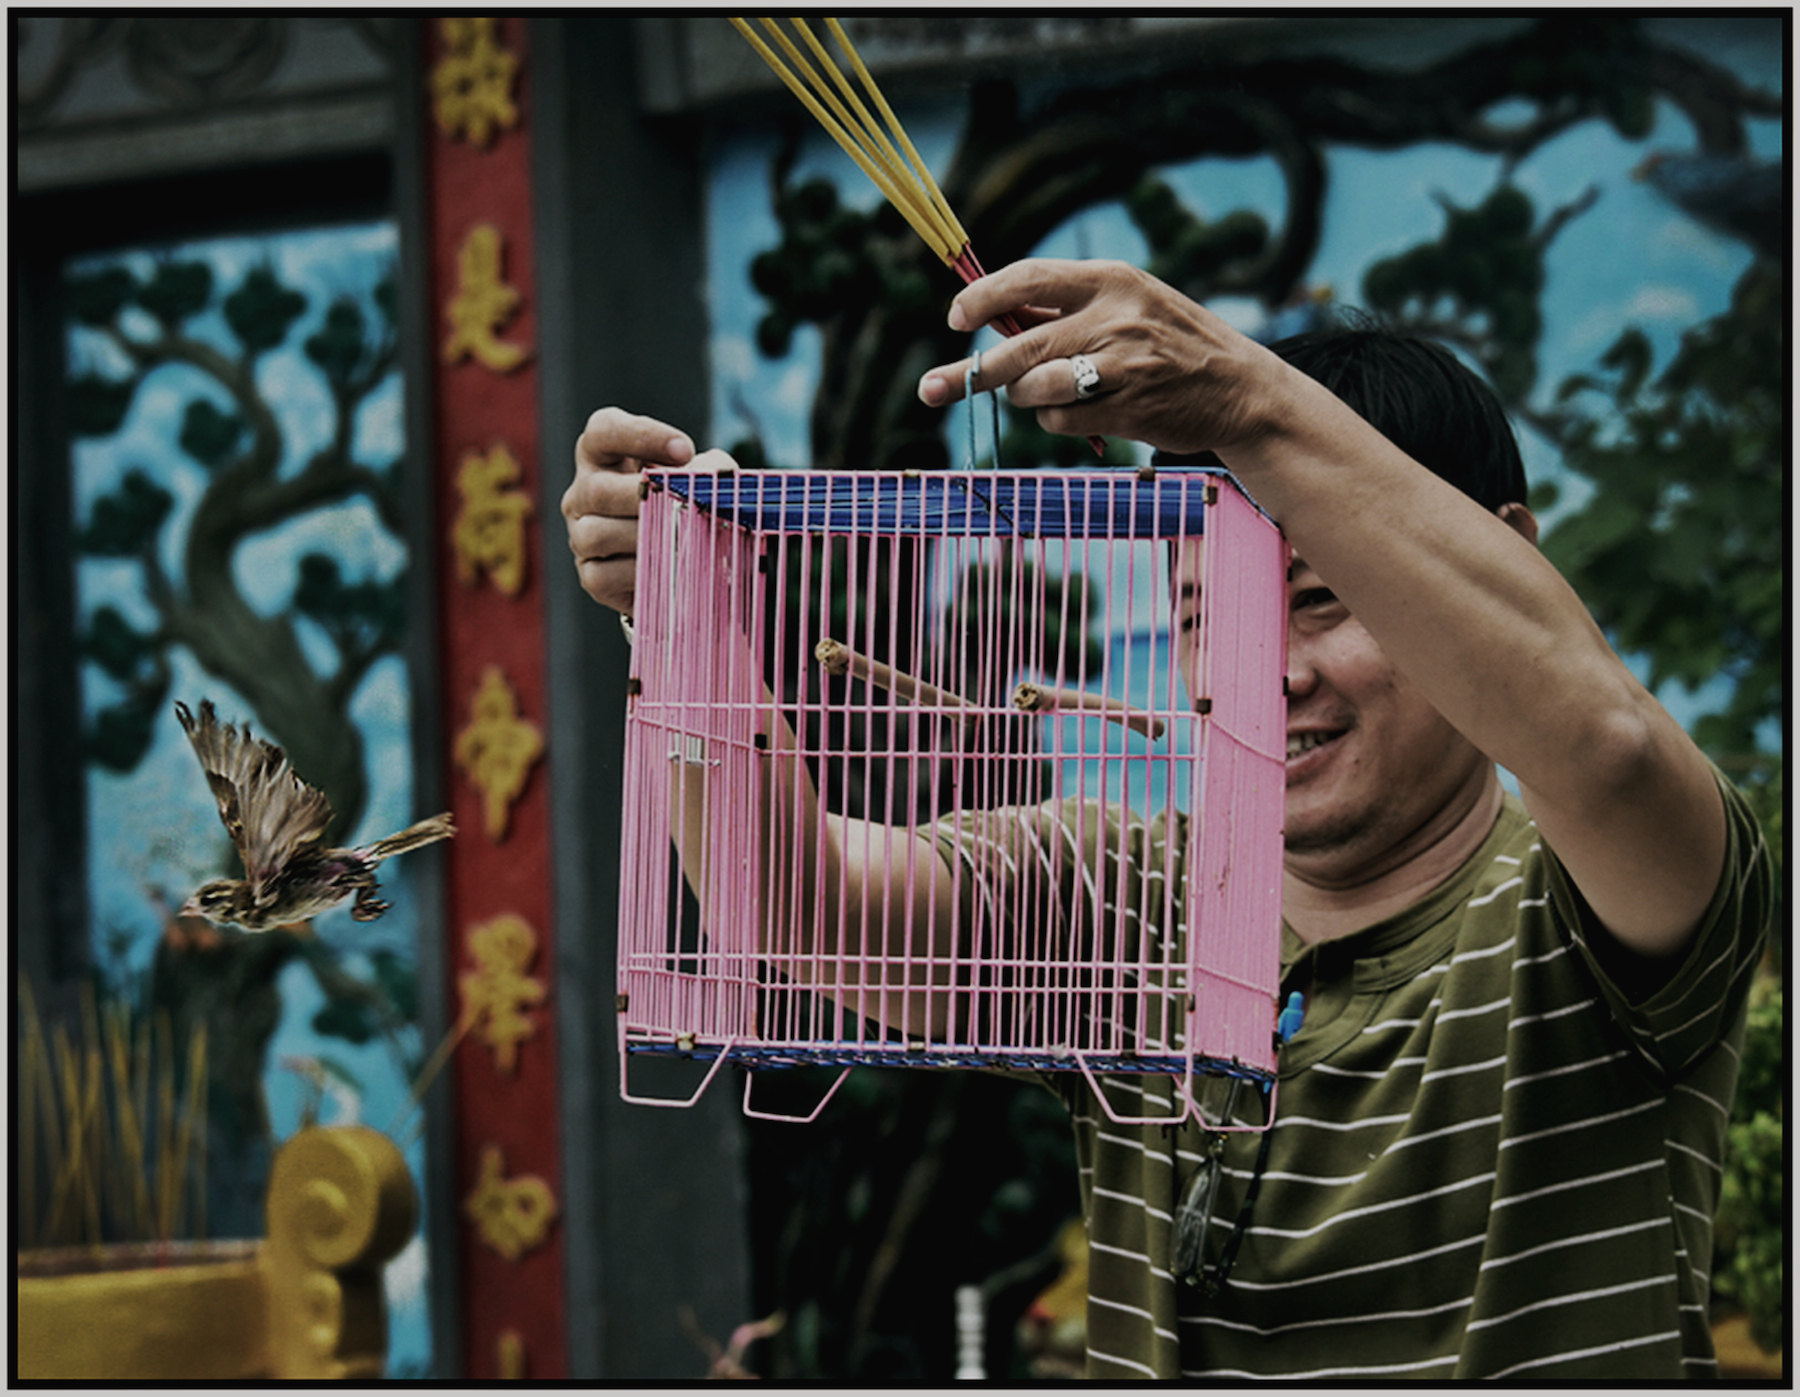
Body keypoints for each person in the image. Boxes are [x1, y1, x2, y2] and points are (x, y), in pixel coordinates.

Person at [563, 259, 1770, 1380]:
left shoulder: (1604, 904)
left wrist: (1246, 398)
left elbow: (1604, 748)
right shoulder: (1122, 895)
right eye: (1214, 611)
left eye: (1321, 600)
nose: (1265, 669)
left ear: (1496, 562)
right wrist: (683, 614)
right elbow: (794, 903)